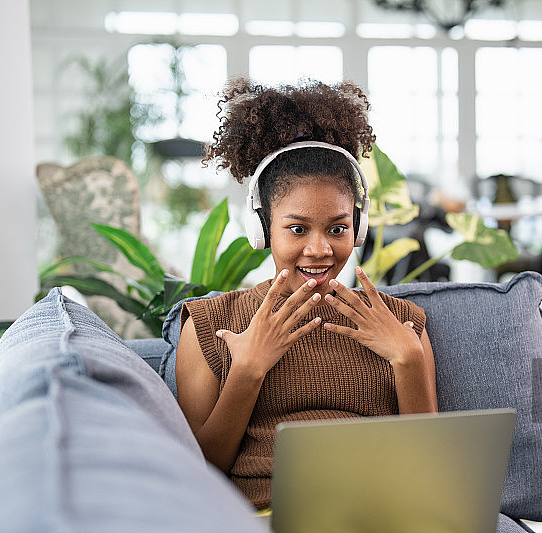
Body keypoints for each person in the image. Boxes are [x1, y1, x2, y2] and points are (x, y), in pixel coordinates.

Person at [175, 78, 437, 511]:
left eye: (338, 228)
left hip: (382, 513)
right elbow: (197, 473)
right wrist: (247, 371)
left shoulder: (403, 324)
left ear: (358, 228)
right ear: (262, 230)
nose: (320, 249)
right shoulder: (210, 325)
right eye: (297, 229)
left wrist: (406, 360)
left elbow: (430, 469)